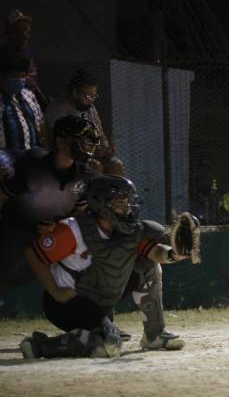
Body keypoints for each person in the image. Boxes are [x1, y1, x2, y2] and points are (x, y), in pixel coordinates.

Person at [19, 174, 189, 359]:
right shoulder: (73, 229)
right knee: (108, 346)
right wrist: (54, 289)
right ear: (101, 203)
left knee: (147, 264)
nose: (126, 206)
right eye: (119, 201)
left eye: (127, 201)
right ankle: (39, 345)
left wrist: (175, 253)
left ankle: (154, 334)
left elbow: (155, 252)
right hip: (68, 303)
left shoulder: (128, 228)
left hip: (100, 300)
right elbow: (34, 254)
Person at [0, 114, 98, 290]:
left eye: (88, 141)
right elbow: (3, 194)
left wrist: (58, 227)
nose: (86, 145)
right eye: (80, 140)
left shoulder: (85, 174)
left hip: (53, 234)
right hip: (15, 231)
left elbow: (79, 212)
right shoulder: (32, 163)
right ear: (60, 142)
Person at [45, 68, 125, 176]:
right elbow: (54, 141)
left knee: (116, 165)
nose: (92, 100)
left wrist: (105, 147)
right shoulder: (58, 109)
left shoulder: (89, 107)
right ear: (75, 93)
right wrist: (90, 151)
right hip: (71, 154)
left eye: (94, 96)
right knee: (95, 168)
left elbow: (99, 131)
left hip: (90, 151)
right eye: (88, 96)